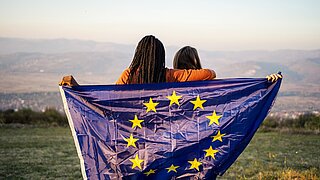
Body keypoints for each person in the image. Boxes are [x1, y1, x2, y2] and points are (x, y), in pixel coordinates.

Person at [116, 35, 216, 84]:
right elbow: (210, 74)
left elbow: (112, 97)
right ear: (160, 56)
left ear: (139, 54)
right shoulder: (170, 75)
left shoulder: (128, 75)